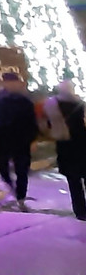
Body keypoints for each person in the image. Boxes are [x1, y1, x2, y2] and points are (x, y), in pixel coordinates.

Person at [0, 71, 38, 210]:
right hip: (6, 136)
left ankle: (20, 196)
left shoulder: (23, 100)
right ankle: (15, 190)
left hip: (17, 137)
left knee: (21, 169)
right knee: (5, 164)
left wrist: (32, 138)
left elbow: (31, 120)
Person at [44, 79, 86, 220]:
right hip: (82, 143)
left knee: (73, 181)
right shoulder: (79, 103)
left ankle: (80, 211)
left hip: (64, 144)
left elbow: (49, 124)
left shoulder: (52, 104)